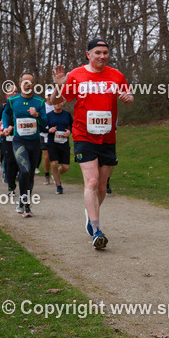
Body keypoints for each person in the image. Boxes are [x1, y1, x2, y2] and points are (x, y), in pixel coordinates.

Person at [52, 38, 134, 250]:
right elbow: (55, 102)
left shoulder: (116, 76)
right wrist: (58, 86)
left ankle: (90, 214)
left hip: (107, 137)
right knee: (91, 181)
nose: (102, 56)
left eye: (105, 52)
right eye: (97, 52)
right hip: (83, 134)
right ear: (88, 54)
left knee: (101, 186)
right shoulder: (76, 75)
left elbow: (129, 96)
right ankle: (97, 230)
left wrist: (127, 98)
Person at [1, 73, 48, 217]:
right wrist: (5, 126)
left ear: (34, 85)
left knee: (31, 174)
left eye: (31, 82)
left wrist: (37, 116)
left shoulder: (39, 102)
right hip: (19, 141)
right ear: (20, 83)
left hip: (34, 142)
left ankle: (25, 203)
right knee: (25, 170)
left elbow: (45, 123)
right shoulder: (13, 100)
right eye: (25, 82)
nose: (28, 84)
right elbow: (5, 114)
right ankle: (23, 199)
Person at [46, 100, 74, 194]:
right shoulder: (48, 115)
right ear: (53, 104)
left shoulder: (67, 114)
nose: (58, 104)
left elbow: (73, 126)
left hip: (64, 143)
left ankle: (55, 175)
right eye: (55, 102)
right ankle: (59, 186)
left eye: (59, 102)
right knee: (54, 164)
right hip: (52, 143)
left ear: (63, 103)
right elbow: (42, 128)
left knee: (65, 167)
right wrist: (49, 130)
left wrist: (69, 132)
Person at [0, 92, 18, 194]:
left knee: (19, 160)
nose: (14, 93)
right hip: (7, 137)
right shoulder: (3, 106)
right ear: (7, 95)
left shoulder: (21, 104)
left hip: (20, 136)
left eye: (16, 91)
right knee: (9, 161)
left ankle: (19, 181)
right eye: (11, 92)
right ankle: (11, 186)